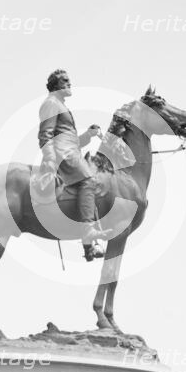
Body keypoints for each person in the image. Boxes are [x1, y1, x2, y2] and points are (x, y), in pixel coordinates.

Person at [38, 69, 112, 260]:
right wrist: (50, 158)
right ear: (56, 85)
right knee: (89, 179)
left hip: (70, 151)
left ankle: (89, 247)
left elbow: (71, 140)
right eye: (65, 81)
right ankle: (88, 231)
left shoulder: (59, 104)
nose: (70, 83)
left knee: (92, 181)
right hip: (63, 155)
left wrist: (88, 134)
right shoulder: (51, 103)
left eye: (69, 80)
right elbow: (45, 134)